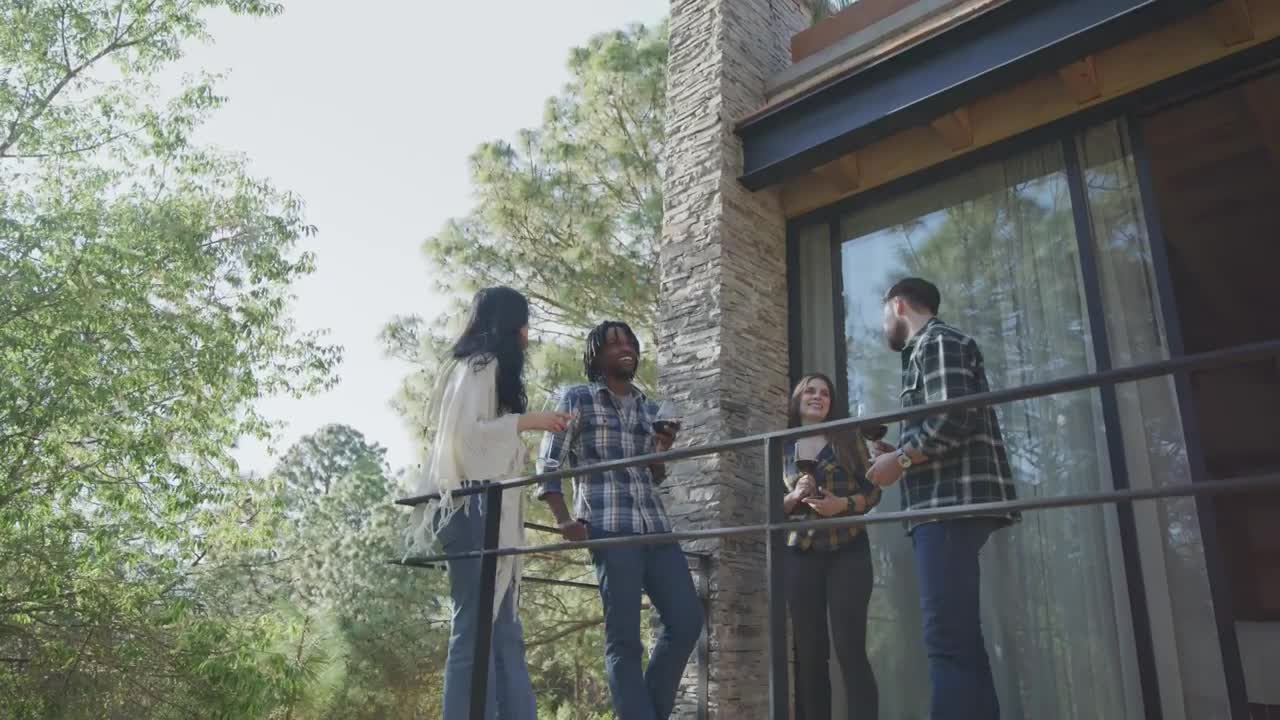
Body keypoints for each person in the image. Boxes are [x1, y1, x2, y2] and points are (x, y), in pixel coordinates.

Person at [405, 287, 570, 720]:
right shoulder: (481, 365)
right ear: (509, 324)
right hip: (474, 507)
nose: (527, 333)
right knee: (477, 627)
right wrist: (528, 422)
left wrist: (519, 430)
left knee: (501, 629)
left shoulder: (478, 368)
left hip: (482, 509)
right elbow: (467, 438)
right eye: (524, 322)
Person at [864, 278, 1018, 720]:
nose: (883, 324)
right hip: (943, 503)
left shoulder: (937, 342)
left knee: (945, 640)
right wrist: (897, 452)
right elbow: (944, 421)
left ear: (898, 305)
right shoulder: (931, 347)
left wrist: (901, 461)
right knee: (961, 641)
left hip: (949, 504)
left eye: (883, 314)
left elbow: (953, 417)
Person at [537, 321, 703, 720]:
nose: (625, 348)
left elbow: (654, 475)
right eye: (613, 344)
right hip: (609, 527)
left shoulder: (649, 408)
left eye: (629, 342)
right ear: (595, 356)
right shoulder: (577, 397)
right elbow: (548, 462)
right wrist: (563, 519)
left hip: (655, 527)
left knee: (686, 621)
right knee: (624, 640)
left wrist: (660, 452)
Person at [782, 373, 881, 720]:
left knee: (849, 648)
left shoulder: (847, 437)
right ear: (797, 399)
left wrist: (843, 505)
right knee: (809, 654)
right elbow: (771, 507)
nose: (817, 396)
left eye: (824, 393)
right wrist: (794, 496)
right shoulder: (782, 445)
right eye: (810, 391)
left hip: (848, 549)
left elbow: (873, 491)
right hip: (800, 554)